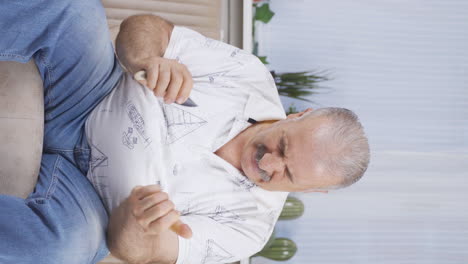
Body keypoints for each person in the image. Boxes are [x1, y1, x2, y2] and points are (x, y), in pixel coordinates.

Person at [0, 1, 370, 264]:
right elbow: (143, 28)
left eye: (287, 174)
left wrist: (141, 225)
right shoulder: (249, 75)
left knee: (60, 251)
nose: (269, 160)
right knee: (75, 10)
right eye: (283, 145)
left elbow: (140, 253)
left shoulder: (250, 230)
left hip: (91, 204)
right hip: (91, 94)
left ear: (311, 191)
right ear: (298, 114)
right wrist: (149, 58)